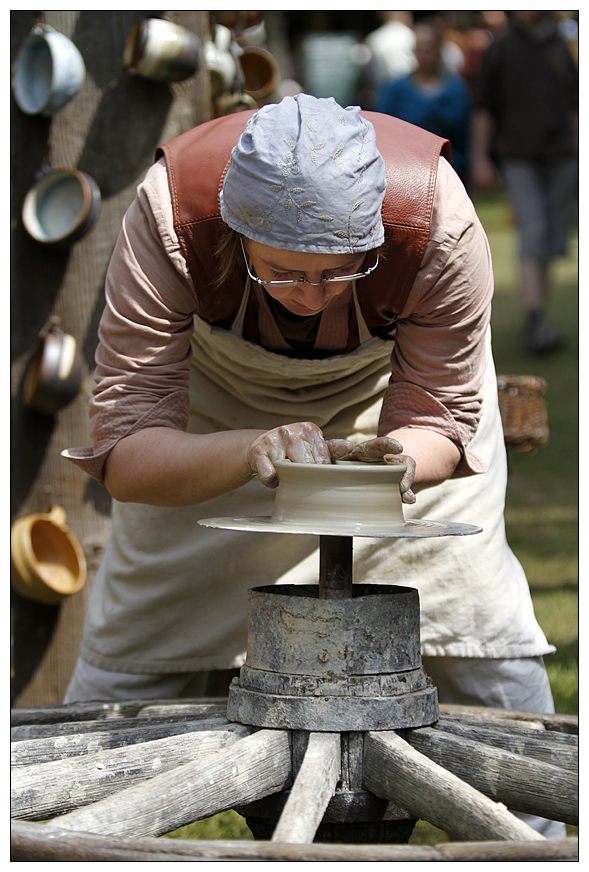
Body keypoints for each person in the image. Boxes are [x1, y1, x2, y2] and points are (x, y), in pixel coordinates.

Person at [63, 94, 563, 837]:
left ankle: (544, 836)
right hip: (213, 416)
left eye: (338, 272)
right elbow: (129, 453)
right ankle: (67, 828)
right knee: (134, 641)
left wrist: (392, 465)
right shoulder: (171, 215)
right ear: (236, 235)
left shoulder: (438, 219)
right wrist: (246, 449)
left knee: (479, 625)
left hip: (389, 408)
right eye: (283, 273)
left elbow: (438, 418)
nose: (308, 297)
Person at [471, 10, 578, 355]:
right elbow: (484, 107)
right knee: (532, 232)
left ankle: (540, 317)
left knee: (551, 240)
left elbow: (575, 104)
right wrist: (481, 158)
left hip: (562, 156)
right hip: (519, 157)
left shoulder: (562, 45)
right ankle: (535, 318)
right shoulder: (500, 47)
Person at [377, 16, 471, 186]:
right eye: (420, 49)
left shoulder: (456, 88)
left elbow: (466, 134)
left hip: (450, 171)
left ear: (439, 50)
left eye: (429, 48)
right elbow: (382, 131)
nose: (424, 55)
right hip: (406, 174)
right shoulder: (395, 89)